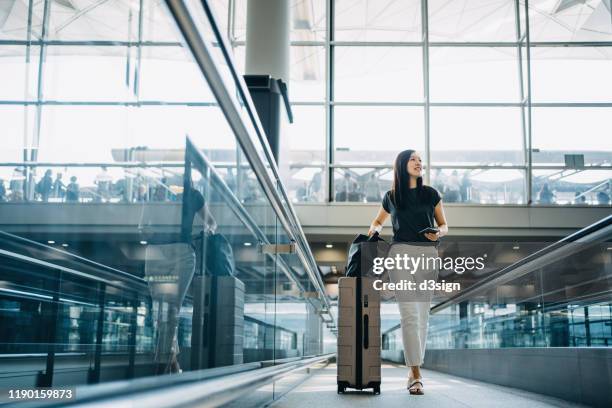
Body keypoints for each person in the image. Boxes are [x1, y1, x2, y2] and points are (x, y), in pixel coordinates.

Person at [368, 149, 448, 396]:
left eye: (420, 160)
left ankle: (414, 368)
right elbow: (378, 221)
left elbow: (444, 225)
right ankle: (415, 374)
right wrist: (373, 231)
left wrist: (439, 233)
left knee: (423, 316)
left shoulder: (431, 194)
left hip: (427, 255)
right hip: (400, 254)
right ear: (402, 164)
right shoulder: (391, 196)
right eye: (413, 159)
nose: (418, 163)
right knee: (409, 314)